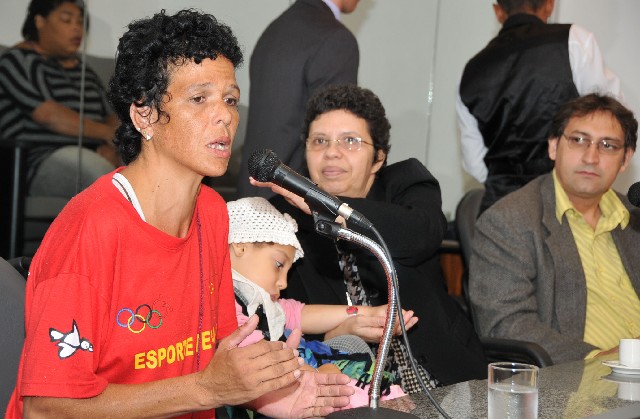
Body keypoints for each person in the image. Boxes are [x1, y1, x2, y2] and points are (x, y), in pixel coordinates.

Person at [5, 9, 354, 418]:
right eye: (199, 98)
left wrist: (276, 392)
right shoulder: (91, 228)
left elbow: (219, 358)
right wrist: (205, 390)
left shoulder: (212, 211)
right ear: (145, 115)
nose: (225, 115)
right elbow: (45, 409)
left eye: (230, 99)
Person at [252, 84, 488, 393]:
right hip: (341, 384)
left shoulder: (405, 184)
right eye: (319, 141)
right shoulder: (282, 215)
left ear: (378, 158)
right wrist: (337, 333)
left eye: (350, 141)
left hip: (441, 374)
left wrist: (327, 207)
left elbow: (422, 233)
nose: (332, 152)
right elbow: (274, 318)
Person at [469, 93, 640, 365]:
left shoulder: (634, 216)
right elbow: (507, 324)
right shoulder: (508, 221)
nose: (591, 157)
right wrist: (601, 359)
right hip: (582, 378)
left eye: (608, 145)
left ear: (625, 159)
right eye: (579, 140)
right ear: (553, 146)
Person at [227, 196, 410, 407]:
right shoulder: (228, 304)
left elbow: (300, 314)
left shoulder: (260, 300)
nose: (284, 283)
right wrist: (317, 376)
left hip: (296, 372)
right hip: (276, 388)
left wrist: (368, 313)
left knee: (351, 345)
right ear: (241, 246)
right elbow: (261, 362)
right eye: (278, 265)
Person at [456, 0, 623, 214]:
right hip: (564, 205)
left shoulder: (471, 71)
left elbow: (475, 164)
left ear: (498, 11)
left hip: (501, 208)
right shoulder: (573, 41)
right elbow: (612, 123)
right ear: (549, 5)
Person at [236, 0, 359, 199]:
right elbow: (332, 141)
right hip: (294, 199)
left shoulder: (274, 30)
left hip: (253, 191)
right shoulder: (336, 39)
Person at [0, 0, 119, 199]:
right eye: (66, 20)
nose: (77, 28)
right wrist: (109, 134)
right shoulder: (16, 61)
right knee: (100, 174)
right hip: (41, 160)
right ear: (40, 21)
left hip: (95, 152)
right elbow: (48, 115)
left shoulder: (84, 71)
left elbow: (110, 115)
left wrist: (112, 147)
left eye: (80, 22)